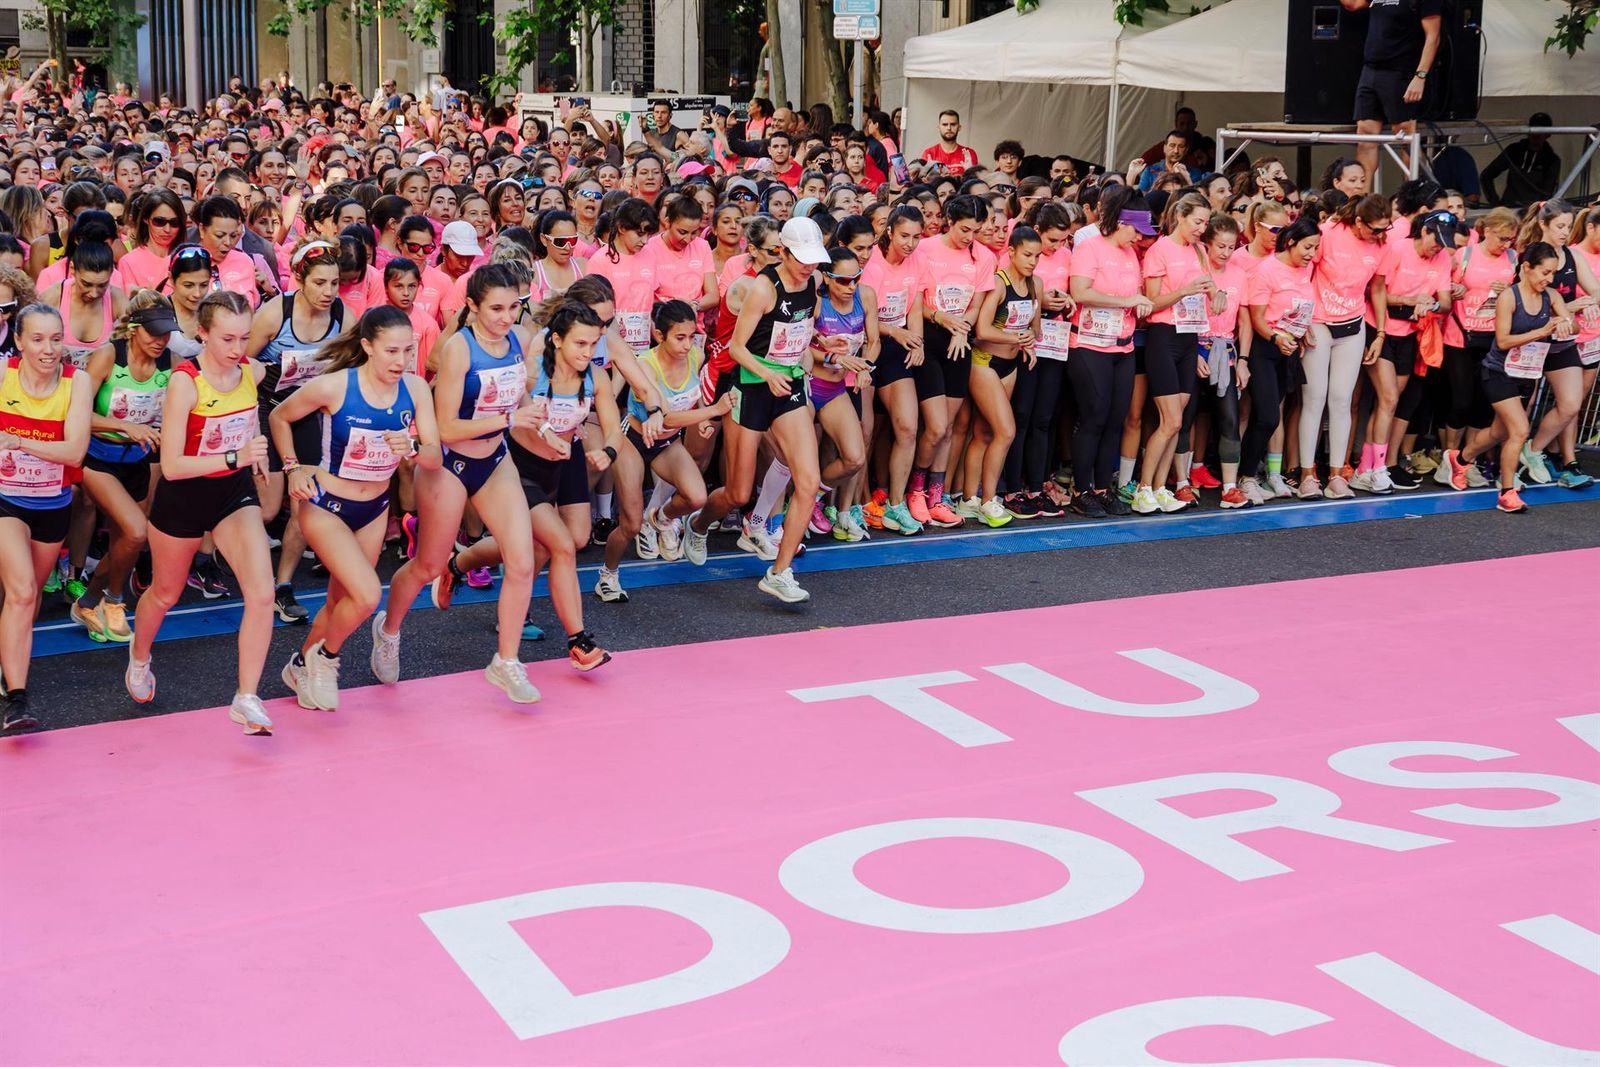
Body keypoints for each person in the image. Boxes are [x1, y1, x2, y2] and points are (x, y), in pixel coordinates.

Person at [372, 264, 546, 702]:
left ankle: (506, 661)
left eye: (514, 307)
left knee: (522, 562)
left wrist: (543, 428)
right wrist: (510, 418)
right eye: (497, 309)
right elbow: (445, 428)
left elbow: (518, 400)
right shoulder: (458, 350)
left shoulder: (518, 342)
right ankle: (389, 629)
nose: (507, 317)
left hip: (494, 459)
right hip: (450, 463)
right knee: (428, 564)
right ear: (471, 306)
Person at [269, 306, 440, 711]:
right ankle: (326, 658)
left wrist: (414, 448)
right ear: (366, 346)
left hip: (374, 509)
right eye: (391, 352)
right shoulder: (335, 387)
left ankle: (299, 665)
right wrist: (293, 468)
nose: (401, 362)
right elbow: (279, 416)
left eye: (407, 351)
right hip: (325, 506)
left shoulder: (415, 389)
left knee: (338, 603)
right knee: (365, 597)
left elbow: (434, 453)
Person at [126, 291, 276, 736]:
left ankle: (246, 697)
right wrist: (235, 456)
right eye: (227, 339)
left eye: (245, 338)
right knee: (164, 594)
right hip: (185, 497)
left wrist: (259, 450)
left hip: (232, 494)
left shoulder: (254, 370)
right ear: (202, 334)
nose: (237, 349)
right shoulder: (185, 382)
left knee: (262, 593)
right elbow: (171, 465)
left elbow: (248, 419)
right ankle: (139, 655)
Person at [684, 217, 831, 604]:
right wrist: (767, 374)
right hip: (751, 386)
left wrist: (822, 353)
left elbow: (801, 332)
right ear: (782, 250)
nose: (809, 266)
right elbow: (736, 348)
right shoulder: (764, 287)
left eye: (814, 259)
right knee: (737, 492)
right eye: (802, 258)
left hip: (789, 386)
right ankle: (698, 524)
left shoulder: (813, 283)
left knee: (808, 480)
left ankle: (780, 572)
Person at [0, 304, 92, 731]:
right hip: (6, 501)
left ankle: (7, 662)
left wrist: (17, 440)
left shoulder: (78, 383)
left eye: (56, 339)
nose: (48, 349)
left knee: (29, 598)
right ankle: (18, 700)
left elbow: (74, 452)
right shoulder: (2, 376)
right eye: (37, 339)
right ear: (18, 341)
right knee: (20, 592)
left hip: (52, 505)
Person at [245, 240, 347, 623]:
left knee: (304, 502)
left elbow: (351, 360)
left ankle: (282, 586)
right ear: (299, 279)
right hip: (267, 409)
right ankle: (243, 562)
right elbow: (242, 362)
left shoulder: (341, 314)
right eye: (320, 283)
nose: (328, 292)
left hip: (305, 414)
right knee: (269, 508)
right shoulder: (276, 314)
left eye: (335, 283)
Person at [596, 300, 726, 598]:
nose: (687, 344)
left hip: (667, 441)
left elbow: (694, 394)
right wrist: (712, 412)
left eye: (692, 336)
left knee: (696, 497)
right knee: (629, 524)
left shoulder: (694, 355)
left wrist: (704, 412)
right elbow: (667, 416)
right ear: (659, 335)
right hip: (635, 440)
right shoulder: (645, 364)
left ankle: (661, 518)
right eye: (679, 337)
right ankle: (608, 575)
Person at [1438, 242, 1575, 514]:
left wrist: (1567, 323)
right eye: (1545, 273)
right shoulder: (1510, 298)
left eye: (1553, 273)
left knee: (1499, 431)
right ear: (1526, 268)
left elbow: (1573, 323)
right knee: (1520, 430)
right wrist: (1544, 330)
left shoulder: (1551, 296)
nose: (1550, 279)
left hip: (1527, 373)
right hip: (1498, 372)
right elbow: (1502, 341)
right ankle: (1507, 492)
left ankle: (1460, 458)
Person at [71, 292, 176, 643]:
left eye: (166, 333)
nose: (161, 341)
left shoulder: (170, 364)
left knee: (125, 545)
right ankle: (114, 600)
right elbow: (76, 415)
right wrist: (124, 427)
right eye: (153, 333)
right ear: (133, 329)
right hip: (98, 459)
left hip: (138, 461)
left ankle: (89, 603)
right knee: (135, 532)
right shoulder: (107, 357)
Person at [1067, 185, 1155, 517]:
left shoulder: (1130, 254)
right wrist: (1126, 301)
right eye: (1137, 230)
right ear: (1120, 221)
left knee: (1116, 419)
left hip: (1123, 344)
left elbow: (1132, 294)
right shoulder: (1089, 247)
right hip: (1089, 344)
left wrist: (1139, 305)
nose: (1140, 238)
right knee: (1094, 416)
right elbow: (1080, 291)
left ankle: (1103, 488)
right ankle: (1081, 489)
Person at [1134, 192, 1215, 513]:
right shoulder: (1159, 250)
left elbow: (1209, 289)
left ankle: (1159, 488)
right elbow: (1151, 303)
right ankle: (1143, 488)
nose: (1201, 228)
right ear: (1180, 217)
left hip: (1189, 336)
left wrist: (1217, 295)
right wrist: (1183, 291)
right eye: (1197, 221)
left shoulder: (1200, 250)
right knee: (1168, 421)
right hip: (1163, 335)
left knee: (1178, 422)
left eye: (1206, 222)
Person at [1241, 217, 1321, 506]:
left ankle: (1255, 475)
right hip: (1266, 347)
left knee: (1270, 416)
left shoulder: (1306, 269)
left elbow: (1301, 306)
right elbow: (1257, 318)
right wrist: (1276, 337)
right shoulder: (1266, 271)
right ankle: (1246, 478)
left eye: (1315, 248)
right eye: (1308, 247)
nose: (1312, 254)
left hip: (1289, 349)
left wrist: (1304, 330)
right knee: (1267, 417)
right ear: (1290, 242)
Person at [859, 204, 927, 534]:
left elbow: (915, 305)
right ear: (889, 232)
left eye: (916, 237)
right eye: (904, 236)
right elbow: (866, 314)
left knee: (908, 427)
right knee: (865, 432)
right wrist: (895, 332)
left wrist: (918, 342)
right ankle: (856, 505)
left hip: (898, 347)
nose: (911, 244)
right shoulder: (871, 260)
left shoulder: (917, 260)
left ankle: (896, 505)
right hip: (868, 345)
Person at [966, 226, 1040, 526]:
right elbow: (981, 332)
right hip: (985, 361)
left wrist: (1028, 342)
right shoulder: (999, 283)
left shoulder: (1035, 285)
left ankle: (969, 497)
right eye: (1027, 255)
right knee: (1006, 431)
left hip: (1010, 365)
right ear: (1011, 252)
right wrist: (1016, 339)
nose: (1033, 261)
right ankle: (987, 500)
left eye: (1037, 256)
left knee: (985, 432)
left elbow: (1035, 329)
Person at [1343, 0, 1442, 179]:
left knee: (1405, 135)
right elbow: (1352, 4)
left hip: (1401, 70)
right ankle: (1361, 200)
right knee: (1365, 135)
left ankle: (1412, 199)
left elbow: (1433, 37)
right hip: (1370, 69)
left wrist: (1420, 76)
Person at [1480, 114, 1562, 208]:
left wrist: (1539, 211)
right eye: (1534, 130)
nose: (1536, 135)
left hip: (1533, 213)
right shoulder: (1514, 151)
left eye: (1541, 131)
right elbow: (1486, 175)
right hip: (1510, 208)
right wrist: (1494, 202)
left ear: (1548, 134)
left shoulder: (1552, 160)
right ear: (1528, 131)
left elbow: (1548, 192)